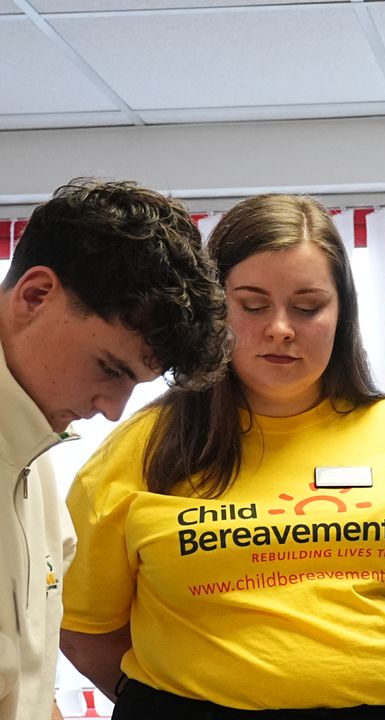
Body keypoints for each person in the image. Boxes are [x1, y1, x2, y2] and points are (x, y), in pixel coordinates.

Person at [58, 195, 385, 719]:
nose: (281, 328)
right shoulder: (143, 446)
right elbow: (87, 633)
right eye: (253, 304)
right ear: (214, 307)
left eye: (308, 307)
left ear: (342, 315)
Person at [0, 179, 228, 720]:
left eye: (136, 383)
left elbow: (25, 686)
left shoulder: (37, 462)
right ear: (35, 295)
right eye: (109, 368)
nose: (113, 409)